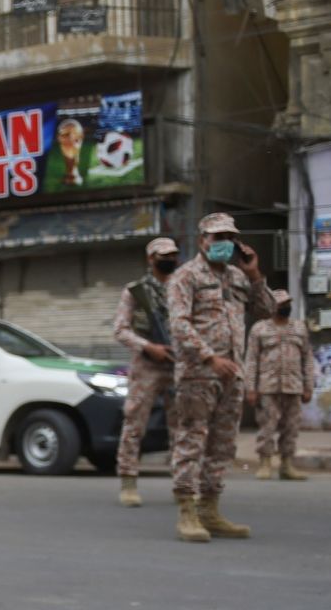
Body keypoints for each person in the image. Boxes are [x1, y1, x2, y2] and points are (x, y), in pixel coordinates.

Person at [166, 212, 275, 542]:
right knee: (192, 440)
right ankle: (187, 512)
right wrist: (209, 357)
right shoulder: (185, 277)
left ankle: (209, 511)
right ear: (202, 241)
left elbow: (269, 311)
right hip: (198, 374)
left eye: (229, 238)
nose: (223, 244)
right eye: (217, 238)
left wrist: (255, 274)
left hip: (232, 376)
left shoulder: (238, 277)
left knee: (223, 446)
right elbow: (180, 324)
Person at [111, 237, 179, 506]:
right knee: (135, 422)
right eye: (163, 255)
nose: (169, 259)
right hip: (147, 365)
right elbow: (120, 330)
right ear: (150, 259)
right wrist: (149, 347)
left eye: (173, 254)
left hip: (179, 364)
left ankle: (182, 484)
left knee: (182, 427)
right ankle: (128, 481)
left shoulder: (183, 287)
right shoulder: (136, 291)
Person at [244, 289, 316, 480]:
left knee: (291, 427)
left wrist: (309, 386)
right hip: (268, 386)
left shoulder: (299, 328)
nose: (286, 308)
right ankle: (265, 462)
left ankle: (287, 464)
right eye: (281, 304)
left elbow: (307, 358)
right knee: (267, 425)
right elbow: (251, 360)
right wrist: (250, 387)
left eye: (287, 304)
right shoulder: (260, 329)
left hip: (294, 385)